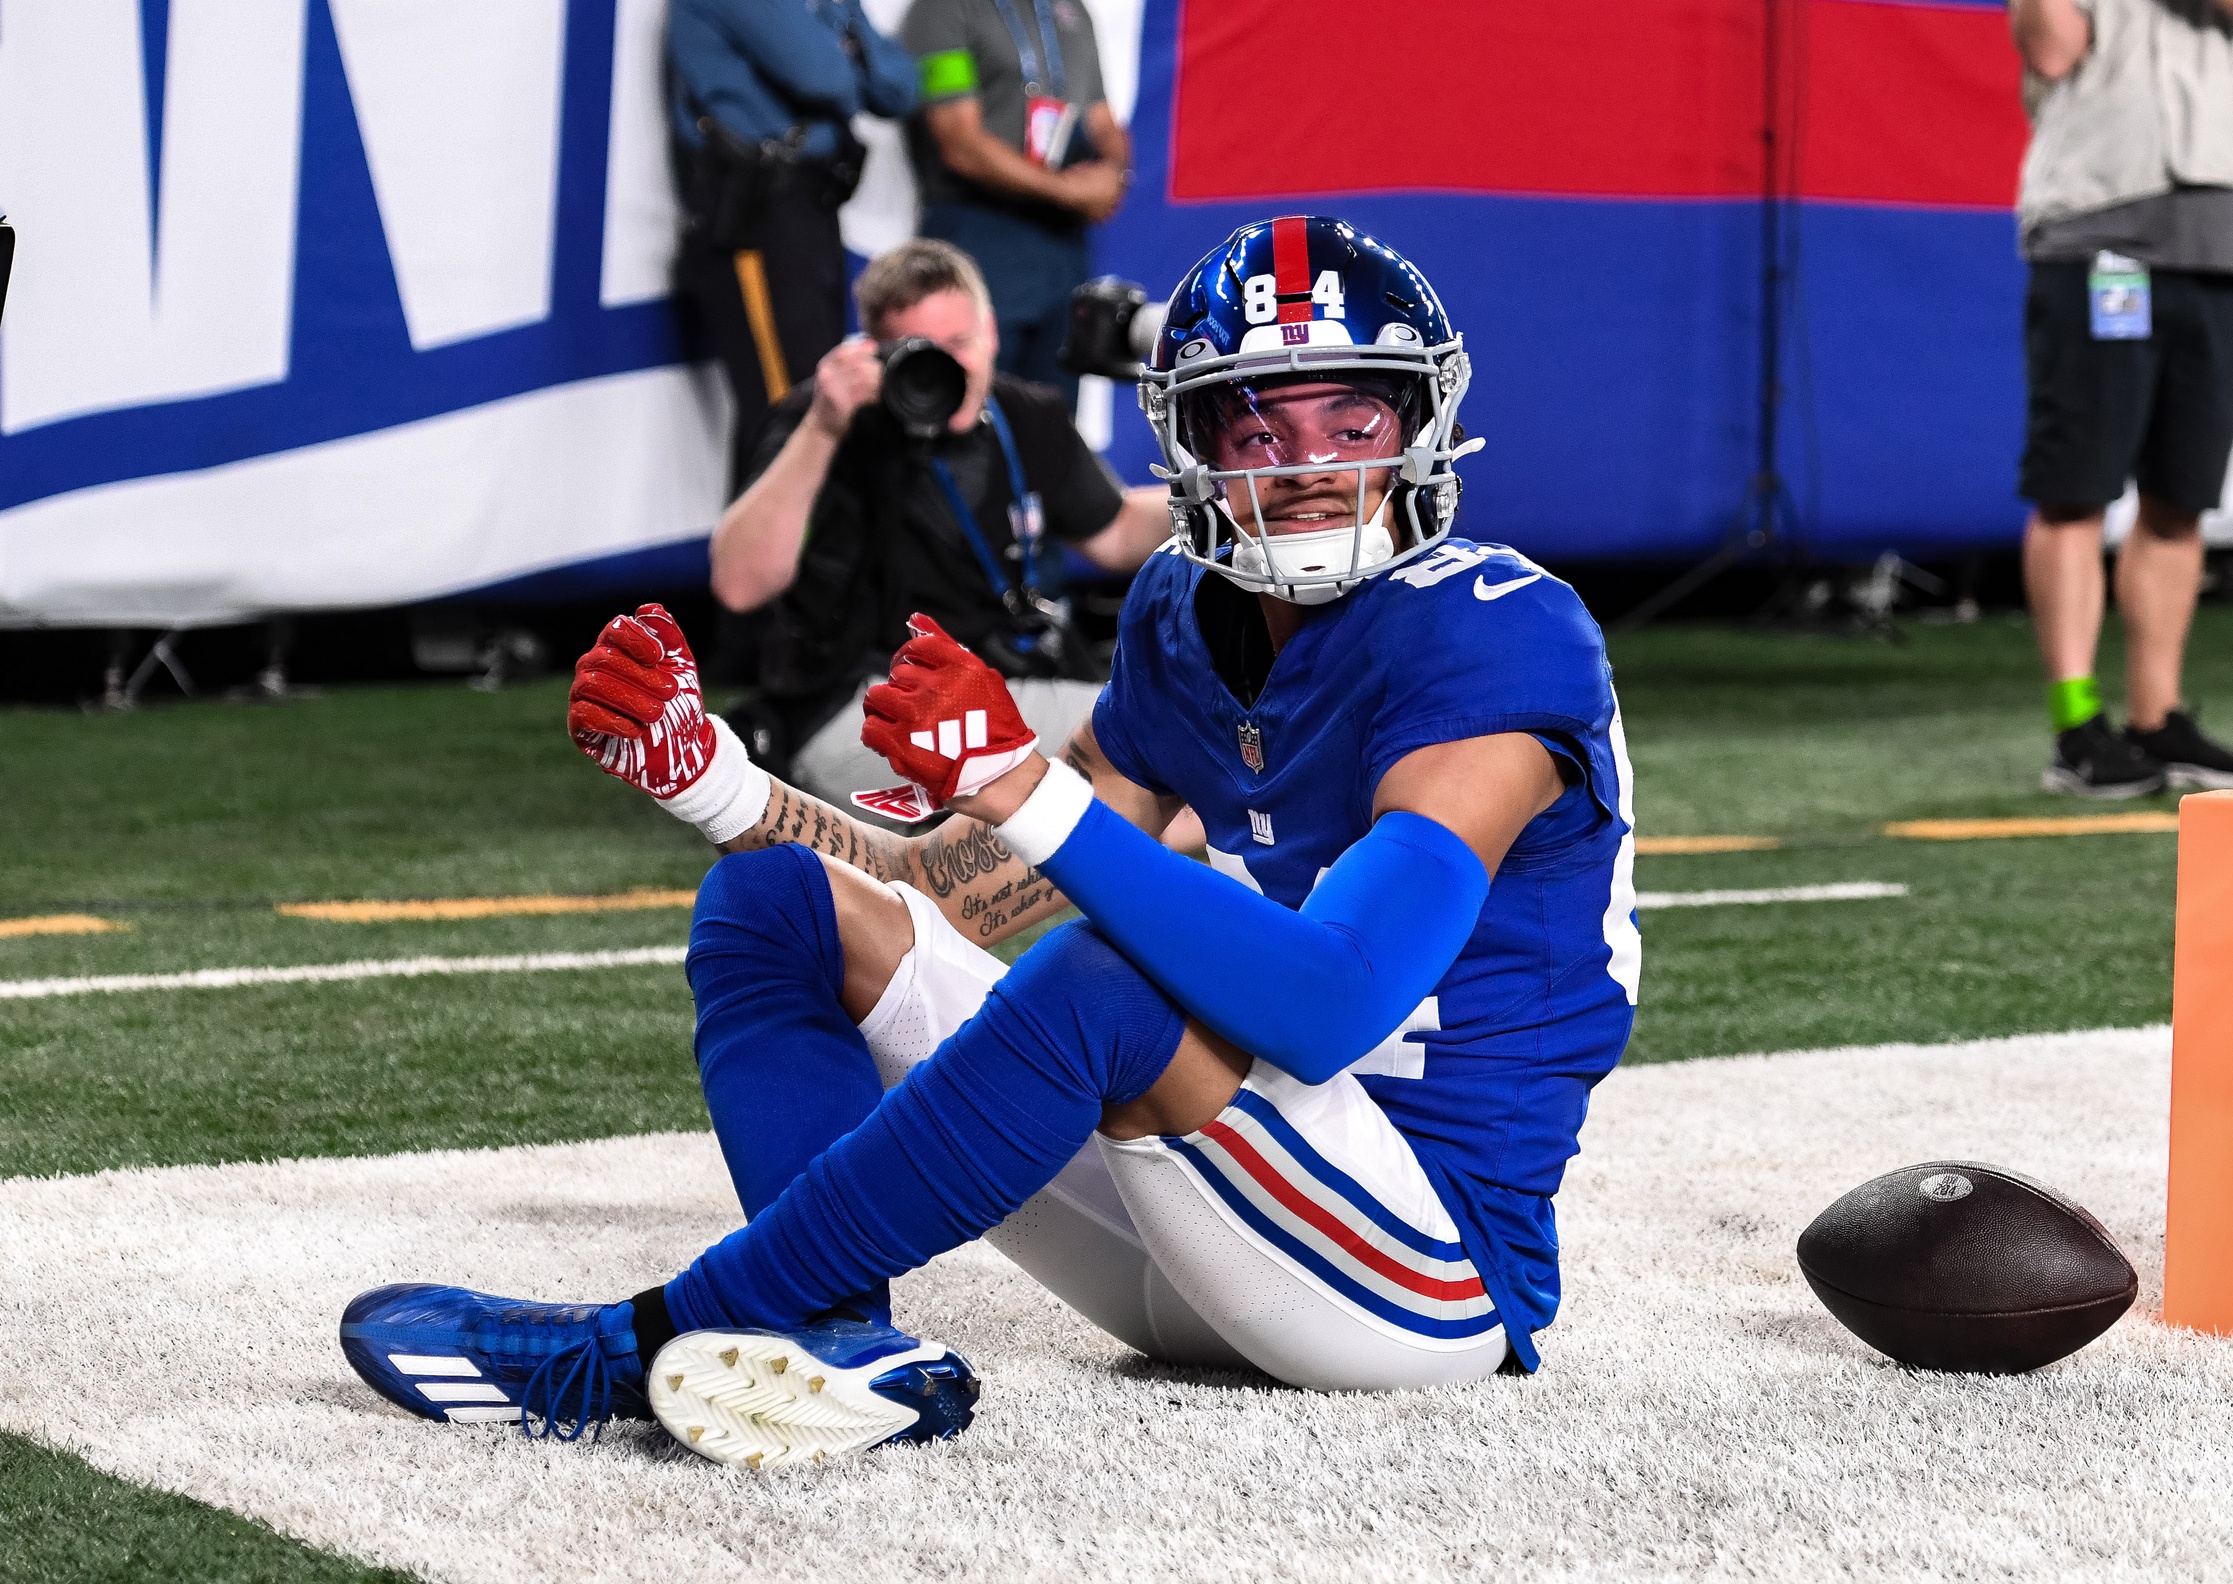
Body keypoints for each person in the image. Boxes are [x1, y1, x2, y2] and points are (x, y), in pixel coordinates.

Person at [338, 218, 1640, 1470]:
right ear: (1187, 441)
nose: (1303, 462)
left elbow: (1332, 1001)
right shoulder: (1185, 612)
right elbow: (948, 893)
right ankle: (832, 1340)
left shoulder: (1497, 628)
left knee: (1104, 976)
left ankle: (648, 1345)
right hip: (1193, 1217)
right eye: (1255, 423)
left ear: (1422, 426)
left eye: (1350, 418)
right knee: (783, 901)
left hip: (1422, 1272)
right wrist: (721, 788)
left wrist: (1025, 784)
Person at [709, 238, 1170, 814]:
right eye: (922, 349)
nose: (949, 367)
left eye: (961, 342)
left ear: (992, 332)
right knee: (1140, 755)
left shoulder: (1023, 413)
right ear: (876, 352)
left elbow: (1118, 531)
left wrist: (1222, 496)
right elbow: (740, 583)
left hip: (997, 690)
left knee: (1160, 747)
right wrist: (822, 431)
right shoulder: (828, 421)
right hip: (863, 701)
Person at [2009, 0, 2233, 797]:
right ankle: (2077, 726)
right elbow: (2053, 52)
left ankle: (2157, 718)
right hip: (2098, 226)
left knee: (2182, 494)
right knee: (2076, 488)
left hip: (2223, 235)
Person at [668, 0, 917, 480]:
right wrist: (846, 51)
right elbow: (825, 75)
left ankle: (789, 554)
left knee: (812, 408)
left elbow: (898, 88)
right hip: (756, 217)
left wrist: (841, 42)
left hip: (811, 211)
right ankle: (766, 555)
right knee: (789, 417)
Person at [899, 0, 1130, 404]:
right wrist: (1069, 190)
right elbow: (959, 142)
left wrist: (1113, 171)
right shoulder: (944, 10)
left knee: (1051, 419)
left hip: (1061, 248)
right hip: (979, 235)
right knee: (969, 408)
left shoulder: (1070, 11)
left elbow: (1102, 120)